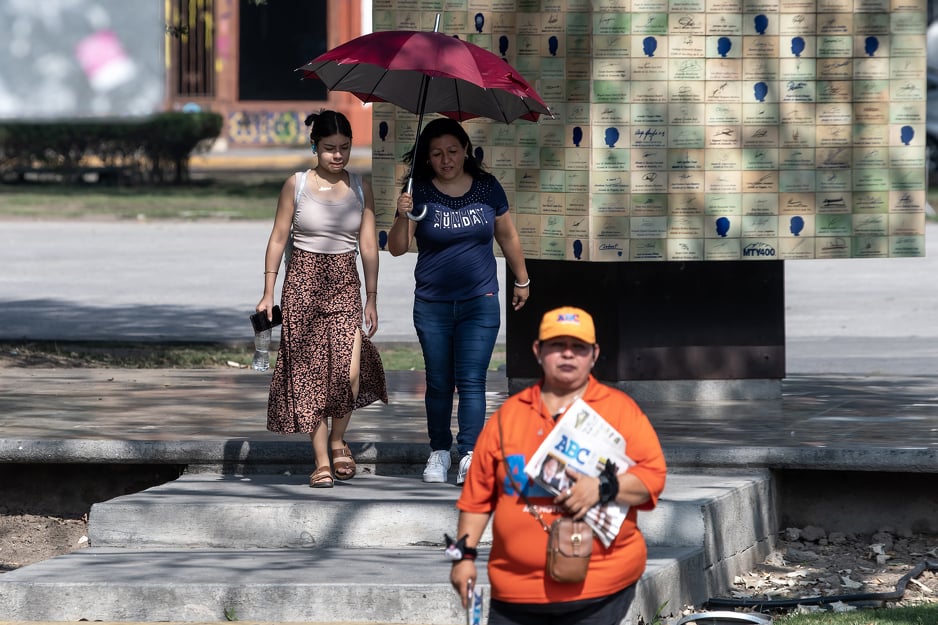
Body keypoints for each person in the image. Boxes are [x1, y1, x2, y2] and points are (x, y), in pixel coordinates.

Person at [449, 306, 667, 625]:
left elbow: (653, 477)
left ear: (594, 355)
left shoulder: (621, 412)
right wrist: (462, 558)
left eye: (578, 347)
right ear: (539, 351)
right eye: (557, 346)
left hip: (600, 591)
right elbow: (476, 500)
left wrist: (606, 486)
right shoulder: (506, 418)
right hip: (514, 596)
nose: (567, 355)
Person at [388, 117, 530, 485]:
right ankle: (438, 451)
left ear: (466, 151)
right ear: (427, 159)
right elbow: (398, 248)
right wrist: (402, 213)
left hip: (479, 301)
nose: (446, 159)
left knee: (471, 380)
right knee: (438, 381)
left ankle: (469, 453)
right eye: (437, 154)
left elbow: (508, 236)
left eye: (452, 151)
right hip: (432, 304)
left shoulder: (487, 188)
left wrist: (522, 279)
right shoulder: (418, 191)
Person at [256, 110, 387, 489]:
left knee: (349, 371)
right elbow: (279, 238)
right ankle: (322, 461)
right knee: (309, 375)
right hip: (302, 284)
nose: (338, 155)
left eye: (345, 148)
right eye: (330, 148)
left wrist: (372, 296)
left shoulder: (360, 187)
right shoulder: (295, 185)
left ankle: (337, 436)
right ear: (315, 146)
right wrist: (268, 291)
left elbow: (367, 245)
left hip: (345, 282)